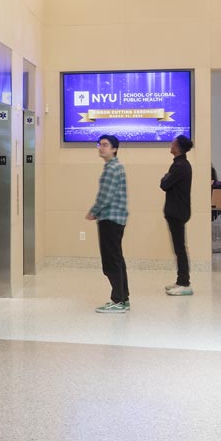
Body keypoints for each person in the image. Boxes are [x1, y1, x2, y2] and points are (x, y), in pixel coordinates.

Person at [85, 134, 130, 313]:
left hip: (110, 219)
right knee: (117, 259)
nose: (101, 147)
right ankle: (123, 298)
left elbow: (106, 195)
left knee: (111, 261)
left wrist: (93, 211)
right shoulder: (114, 167)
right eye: (100, 144)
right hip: (116, 219)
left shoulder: (112, 168)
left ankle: (118, 300)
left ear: (114, 149)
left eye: (105, 145)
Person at [159, 135, 194, 296]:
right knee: (179, 248)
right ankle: (181, 280)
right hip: (178, 211)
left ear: (178, 147)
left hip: (177, 212)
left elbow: (164, 184)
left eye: (173, 143)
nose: (170, 145)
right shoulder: (181, 164)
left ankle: (184, 283)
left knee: (180, 248)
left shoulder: (180, 166)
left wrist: (165, 177)